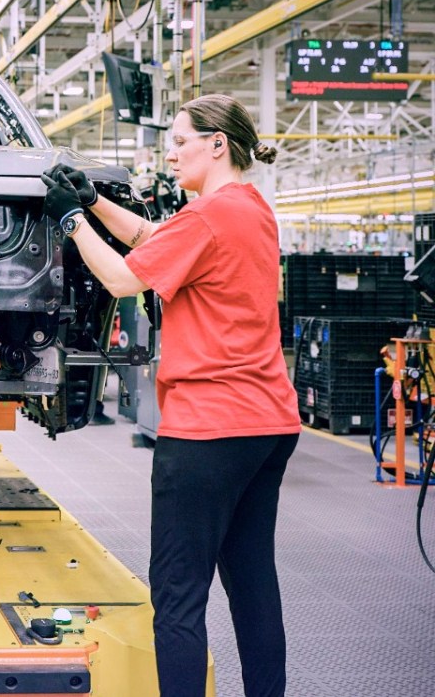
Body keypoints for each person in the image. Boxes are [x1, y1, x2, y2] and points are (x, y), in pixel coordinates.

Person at [40, 94, 300, 697]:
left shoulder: (209, 216)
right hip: (267, 425)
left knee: (178, 594)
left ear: (217, 144)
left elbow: (123, 278)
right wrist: (95, 202)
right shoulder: (249, 209)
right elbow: (157, 237)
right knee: (253, 579)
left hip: (208, 429)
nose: (172, 152)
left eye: (181, 141)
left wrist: (69, 222)